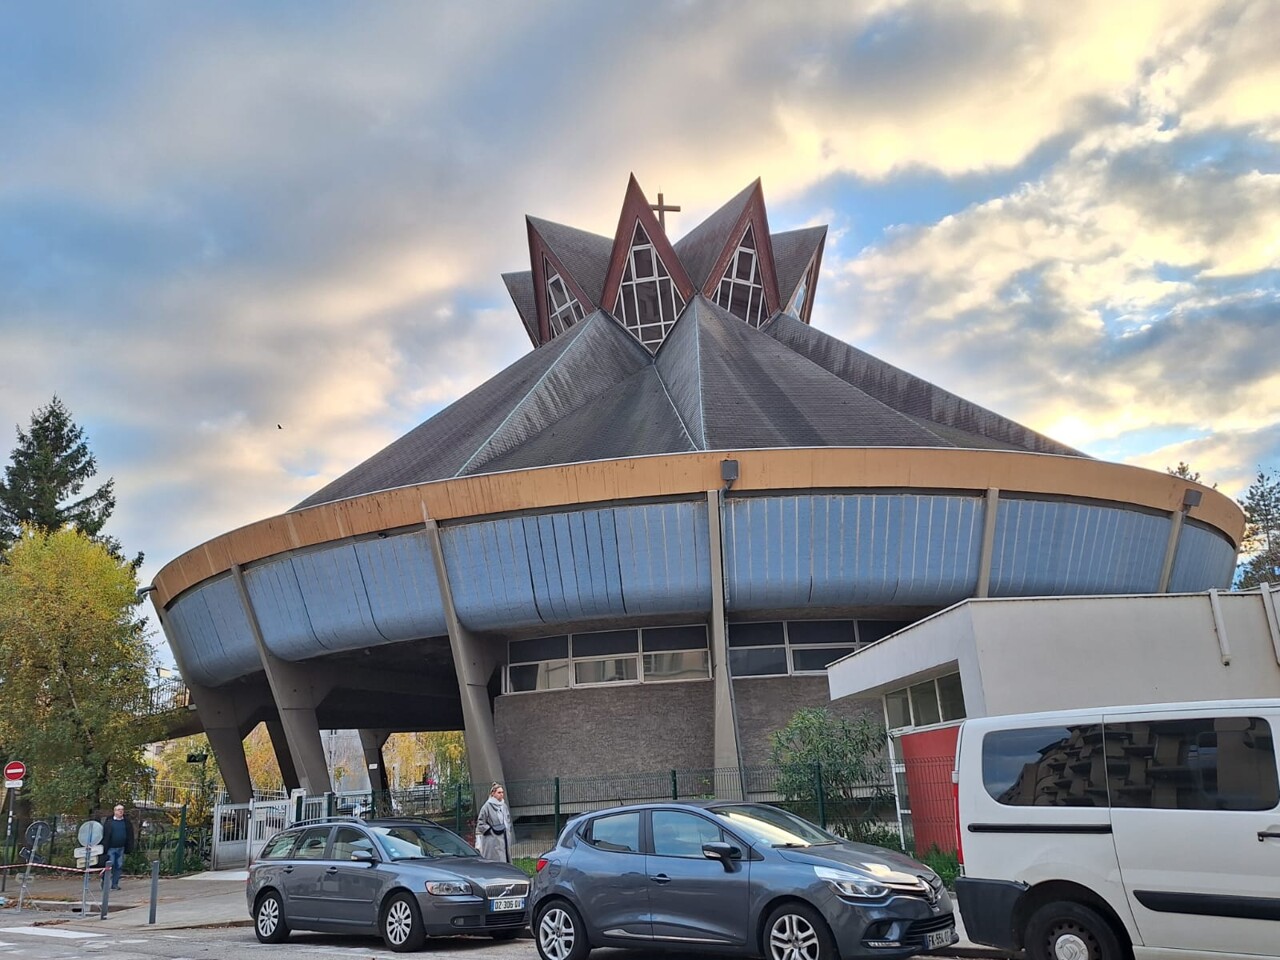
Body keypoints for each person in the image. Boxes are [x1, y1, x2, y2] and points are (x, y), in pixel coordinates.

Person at [475, 783, 513, 862]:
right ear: (493, 793)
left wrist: (508, 830)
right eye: (499, 792)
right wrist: (491, 831)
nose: (501, 794)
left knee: (505, 859)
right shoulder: (486, 807)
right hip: (492, 840)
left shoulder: (504, 806)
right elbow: (480, 823)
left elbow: (508, 819)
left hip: (504, 838)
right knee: (495, 860)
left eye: (502, 792)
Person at [100, 803, 135, 890]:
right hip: (111, 848)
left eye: (122, 810)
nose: (121, 811)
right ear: (115, 811)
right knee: (109, 866)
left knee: (118, 866)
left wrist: (129, 846)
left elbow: (130, 834)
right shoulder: (109, 822)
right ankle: (105, 883)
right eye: (119, 810)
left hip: (121, 848)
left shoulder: (126, 822)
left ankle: (115, 884)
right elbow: (104, 835)